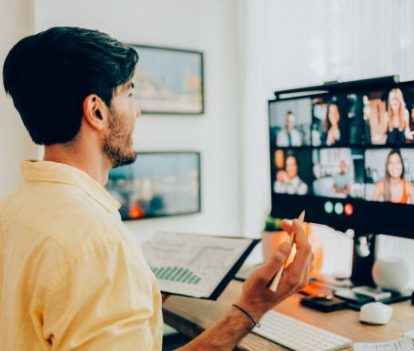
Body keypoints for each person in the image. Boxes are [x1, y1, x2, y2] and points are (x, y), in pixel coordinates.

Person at [0, 27, 313, 350]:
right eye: (128, 94)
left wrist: (136, 296)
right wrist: (251, 308)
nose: (137, 110)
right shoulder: (96, 244)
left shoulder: (13, 209)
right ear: (96, 111)